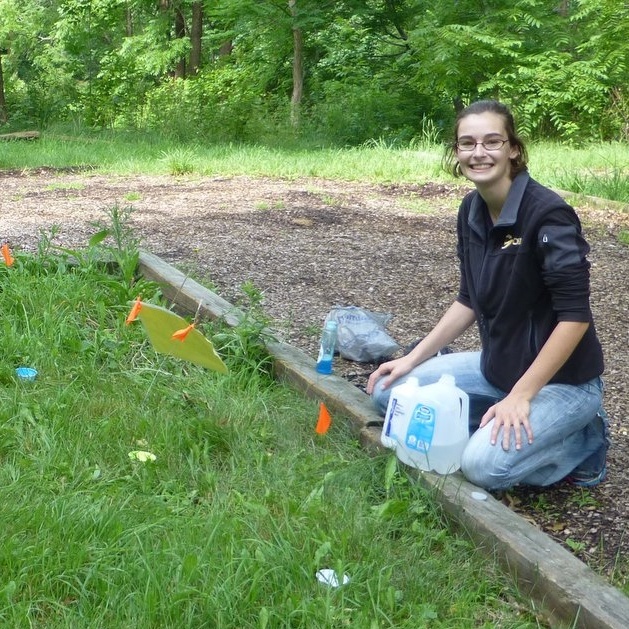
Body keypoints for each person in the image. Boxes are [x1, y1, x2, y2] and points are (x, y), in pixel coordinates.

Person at [366, 100, 609, 492]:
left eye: (492, 141)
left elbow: (575, 317)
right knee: (388, 393)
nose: (479, 153)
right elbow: (468, 299)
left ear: (513, 148)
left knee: (482, 467)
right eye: (467, 143)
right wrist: (411, 358)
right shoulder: (472, 209)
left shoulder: (549, 215)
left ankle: (585, 438)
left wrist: (521, 396)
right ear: (457, 152)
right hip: (496, 369)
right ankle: (503, 419)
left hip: (563, 383)